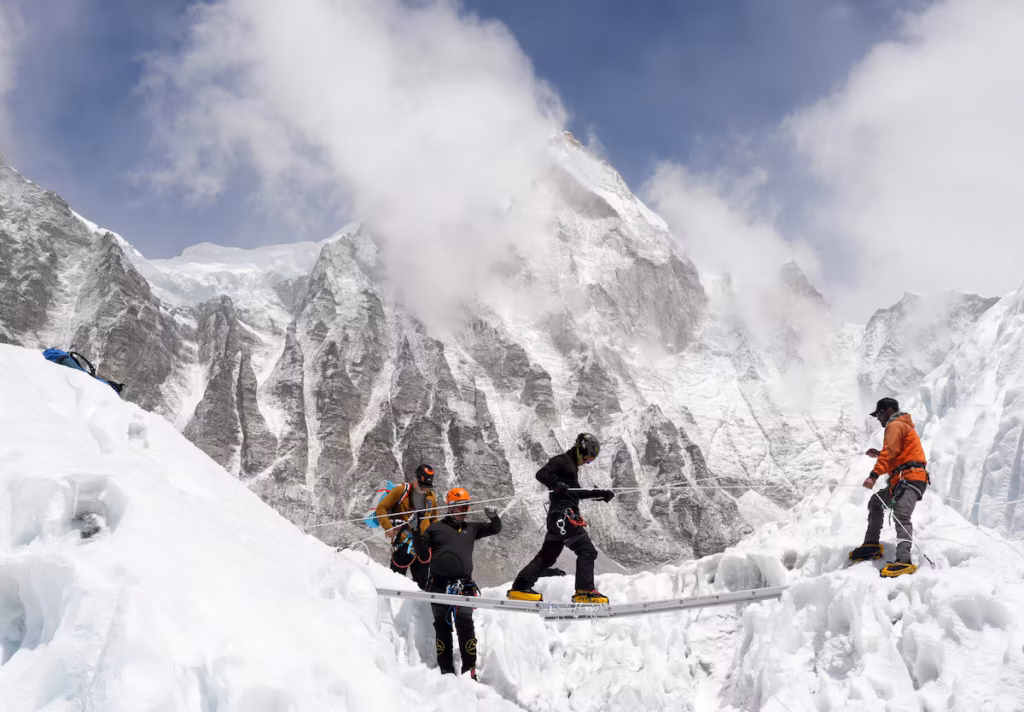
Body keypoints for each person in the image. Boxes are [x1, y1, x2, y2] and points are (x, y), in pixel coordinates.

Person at [506, 432, 615, 603]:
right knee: (587, 551)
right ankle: (585, 591)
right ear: (580, 450)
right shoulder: (561, 461)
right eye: (587, 458)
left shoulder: (571, 467)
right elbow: (541, 474)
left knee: (547, 557)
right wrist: (555, 484)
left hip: (557, 518)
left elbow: (576, 493)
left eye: (591, 461)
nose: (586, 462)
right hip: (565, 516)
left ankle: (520, 587)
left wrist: (600, 493)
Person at [419, 487, 501, 679]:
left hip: (464, 586)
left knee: (465, 625)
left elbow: (495, 529)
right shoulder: (435, 528)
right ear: (450, 508)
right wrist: (415, 529)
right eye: (460, 507)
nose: (464, 511)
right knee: (442, 627)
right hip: (438, 585)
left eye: (466, 507)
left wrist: (494, 517)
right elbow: (422, 553)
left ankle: (469, 669)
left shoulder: (472, 528)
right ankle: (446, 670)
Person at [850, 397, 929, 577]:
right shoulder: (901, 426)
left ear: (889, 411)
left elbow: (890, 454)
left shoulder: (895, 425)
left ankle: (904, 560)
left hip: (910, 478)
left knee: (901, 514)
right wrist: (879, 454)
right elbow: (895, 456)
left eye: (879, 414)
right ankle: (871, 544)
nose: (878, 418)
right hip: (904, 479)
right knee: (876, 503)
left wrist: (873, 476)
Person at [375, 464, 439, 589]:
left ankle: (418, 607)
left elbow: (434, 519)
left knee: (422, 585)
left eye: (427, 487)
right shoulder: (401, 491)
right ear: (415, 479)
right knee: (395, 583)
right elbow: (381, 508)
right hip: (403, 543)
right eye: (421, 485)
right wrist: (388, 527)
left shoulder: (431, 497)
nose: (424, 489)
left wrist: (436, 539)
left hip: (423, 546)